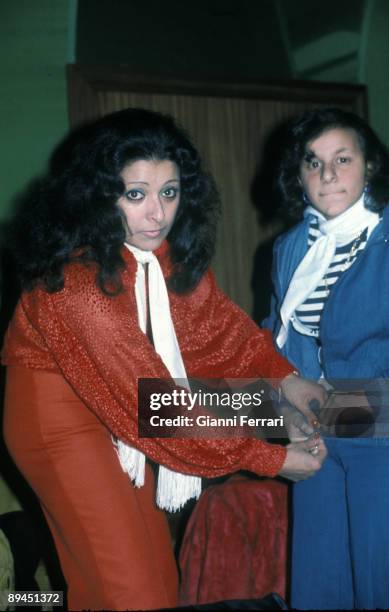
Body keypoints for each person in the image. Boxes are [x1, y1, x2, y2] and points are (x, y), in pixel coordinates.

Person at [2, 108, 326, 611]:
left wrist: (284, 379)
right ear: (98, 196)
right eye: (136, 194)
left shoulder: (159, 255)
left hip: (129, 408)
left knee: (151, 576)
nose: (157, 214)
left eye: (169, 193)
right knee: (132, 590)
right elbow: (160, 410)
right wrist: (273, 459)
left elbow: (218, 328)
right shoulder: (76, 282)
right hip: (59, 423)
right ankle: (32, 601)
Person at [263, 106, 389, 610]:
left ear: (370, 166)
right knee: (318, 582)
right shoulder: (289, 247)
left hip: (379, 431)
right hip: (311, 430)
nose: (328, 174)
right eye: (313, 163)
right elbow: (274, 337)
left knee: (378, 579)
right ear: (298, 175)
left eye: (343, 159)